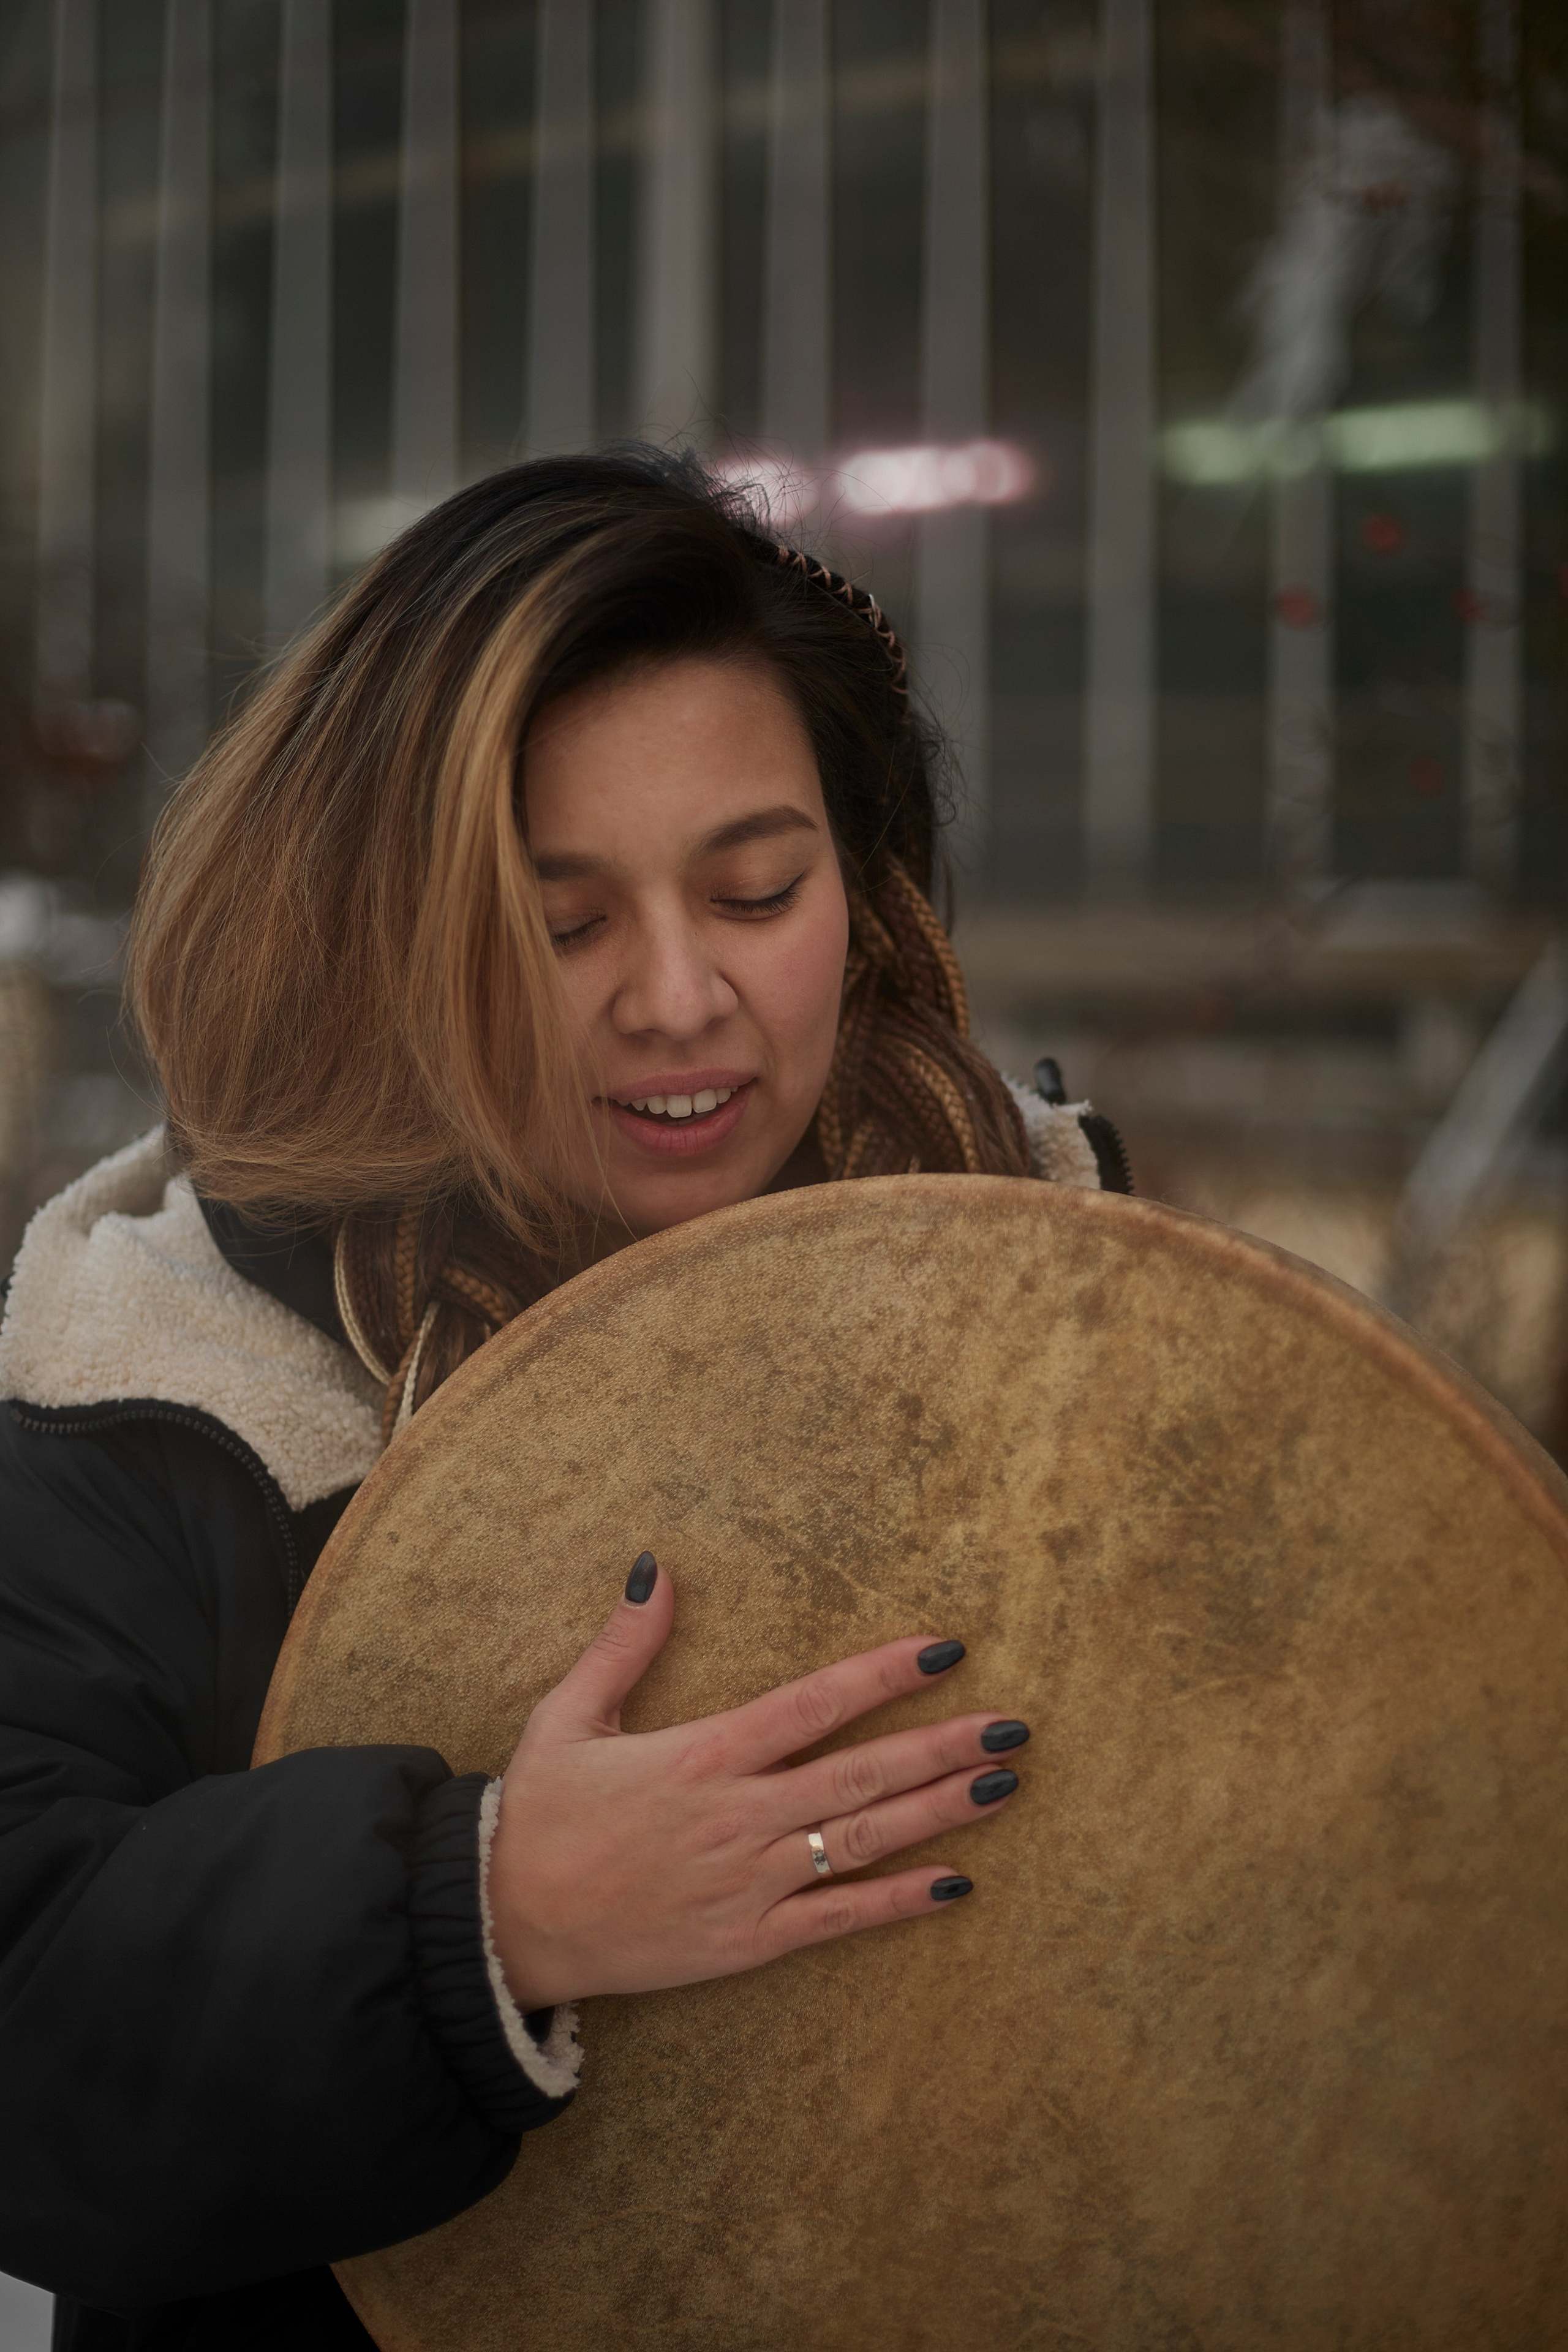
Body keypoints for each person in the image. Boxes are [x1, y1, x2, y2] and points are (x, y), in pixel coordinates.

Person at [0, 449, 1128, 2350]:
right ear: (383, 936)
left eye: (756, 888)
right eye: (564, 920)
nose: (681, 996)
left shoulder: (1095, 1300)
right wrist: (480, 1913)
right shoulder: (157, 1386)